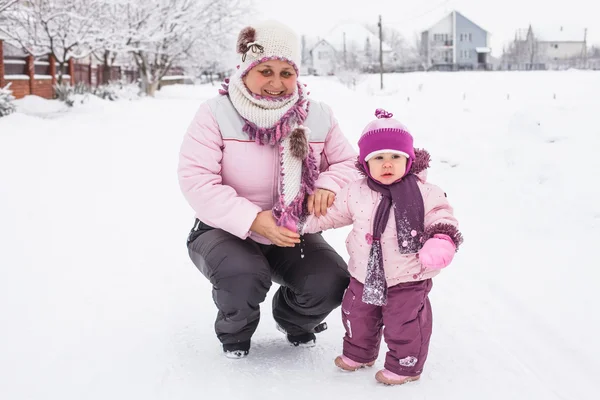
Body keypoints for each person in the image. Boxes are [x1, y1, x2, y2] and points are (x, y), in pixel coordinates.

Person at [177, 20, 359, 359]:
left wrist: (326, 184)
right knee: (243, 273)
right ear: (246, 69)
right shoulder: (215, 114)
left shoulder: (318, 116)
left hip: (291, 229)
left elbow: (350, 163)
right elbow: (196, 179)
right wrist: (251, 219)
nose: (276, 83)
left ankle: (294, 320)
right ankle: (236, 332)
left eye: (286, 72)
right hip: (222, 228)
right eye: (266, 71)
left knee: (331, 281)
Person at [302, 109, 464, 385]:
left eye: (395, 157)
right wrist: (299, 223)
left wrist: (441, 239)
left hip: (408, 277)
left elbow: (441, 215)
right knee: (357, 315)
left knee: (405, 323)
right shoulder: (355, 190)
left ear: (408, 160)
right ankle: (360, 353)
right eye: (378, 158)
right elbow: (332, 215)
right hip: (364, 274)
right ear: (366, 163)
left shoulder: (425, 192)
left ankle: (405, 365)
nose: (387, 164)